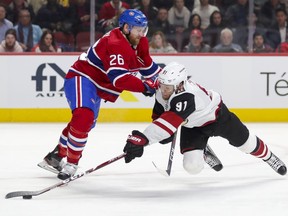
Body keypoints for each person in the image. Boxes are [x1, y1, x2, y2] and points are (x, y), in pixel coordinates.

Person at [38, 9, 161, 180]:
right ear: (126, 28)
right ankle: (72, 163)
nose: (142, 34)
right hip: (82, 77)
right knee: (84, 117)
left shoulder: (140, 42)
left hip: (98, 85)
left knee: (84, 124)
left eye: (144, 29)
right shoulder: (115, 43)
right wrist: (145, 87)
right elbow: (120, 79)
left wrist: (164, 82)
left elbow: (148, 67)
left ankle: (56, 156)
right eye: (138, 30)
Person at [122, 62, 287, 177]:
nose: (163, 91)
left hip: (218, 118)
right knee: (192, 167)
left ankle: (269, 157)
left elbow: (167, 123)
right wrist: (162, 137)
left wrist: (143, 139)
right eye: (162, 86)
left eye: (168, 87)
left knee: (247, 144)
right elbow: (159, 118)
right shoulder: (161, 93)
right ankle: (204, 149)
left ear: (180, 85)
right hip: (193, 127)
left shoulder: (187, 96)